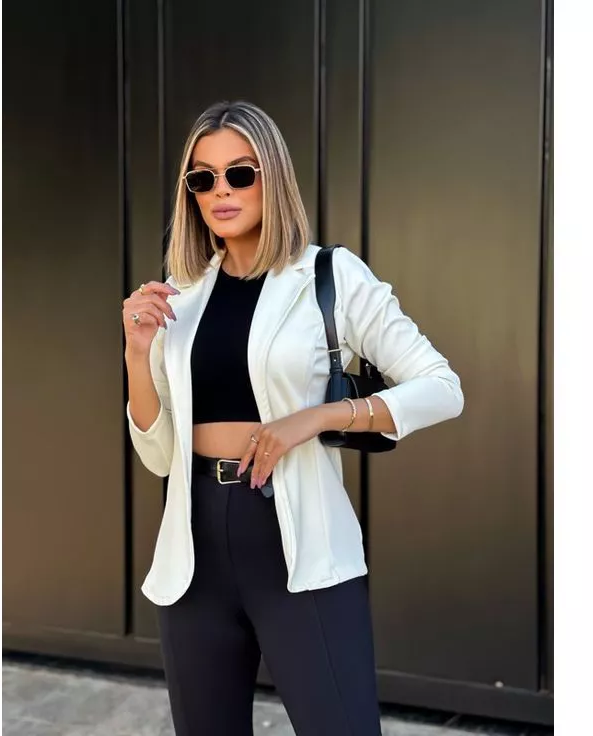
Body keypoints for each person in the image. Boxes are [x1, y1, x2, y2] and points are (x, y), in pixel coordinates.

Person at [122, 100, 464, 736]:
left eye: (239, 173)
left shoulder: (329, 276)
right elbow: (160, 456)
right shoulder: (180, 293)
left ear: (272, 177)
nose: (221, 191)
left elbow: (443, 387)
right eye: (203, 178)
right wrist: (136, 356)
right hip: (194, 546)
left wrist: (316, 418)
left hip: (297, 538)